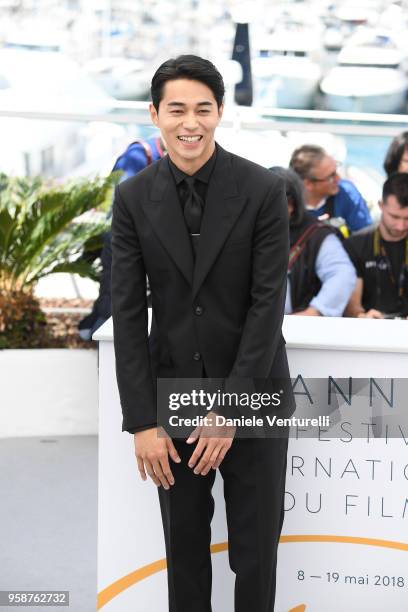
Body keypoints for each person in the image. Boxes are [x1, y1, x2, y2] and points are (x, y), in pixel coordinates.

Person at [111, 55, 293, 612]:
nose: (190, 123)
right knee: (184, 555)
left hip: (254, 393)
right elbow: (125, 312)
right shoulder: (134, 197)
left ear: (219, 113)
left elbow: (268, 306)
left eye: (203, 110)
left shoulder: (262, 190)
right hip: (176, 398)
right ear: (155, 114)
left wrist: (230, 408)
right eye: (176, 110)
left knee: (256, 555)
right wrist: (142, 420)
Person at [78, 135, 166, 340]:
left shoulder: (161, 156)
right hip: (122, 241)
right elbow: (121, 205)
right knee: (114, 303)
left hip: (141, 242)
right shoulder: (138, 155)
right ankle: (98, 347)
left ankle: (93, 334)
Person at [271, 167, 356, 317]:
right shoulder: (244, 228)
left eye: (289, 202)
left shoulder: (317, 234)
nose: (286, 209)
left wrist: (315, 311)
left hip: (300, 325)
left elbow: (343, 274)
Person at [344, 173, 408, 319]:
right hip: (370, 328)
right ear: (381, 205)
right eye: (395, 217)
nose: (401, 226)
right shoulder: (355, 244)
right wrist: (363, 316)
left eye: (407, 218)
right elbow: (352, 306)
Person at [289, 144, 372, 234]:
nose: (338, 178)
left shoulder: (347, 193)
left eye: (336, 171)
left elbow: (365, 238)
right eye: (331, 176)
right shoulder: (286, 206)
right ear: (308, 184)